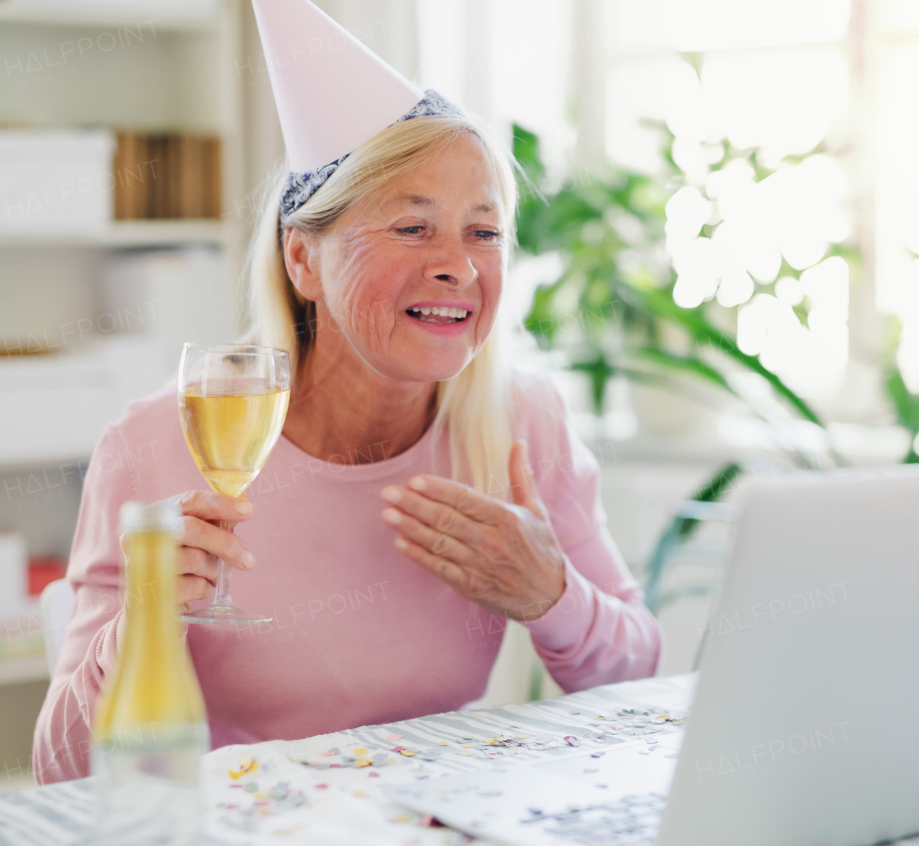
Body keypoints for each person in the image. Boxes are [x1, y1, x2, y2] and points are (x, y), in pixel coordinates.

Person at [32, 0, 660, 784]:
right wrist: (144, 622)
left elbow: (642, 687)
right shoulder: (157, 447)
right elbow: (59, 772)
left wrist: (552, 594)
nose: (459, 267)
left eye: (484, 231)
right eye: (412, 228)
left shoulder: (523, 422)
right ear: (303, 260)